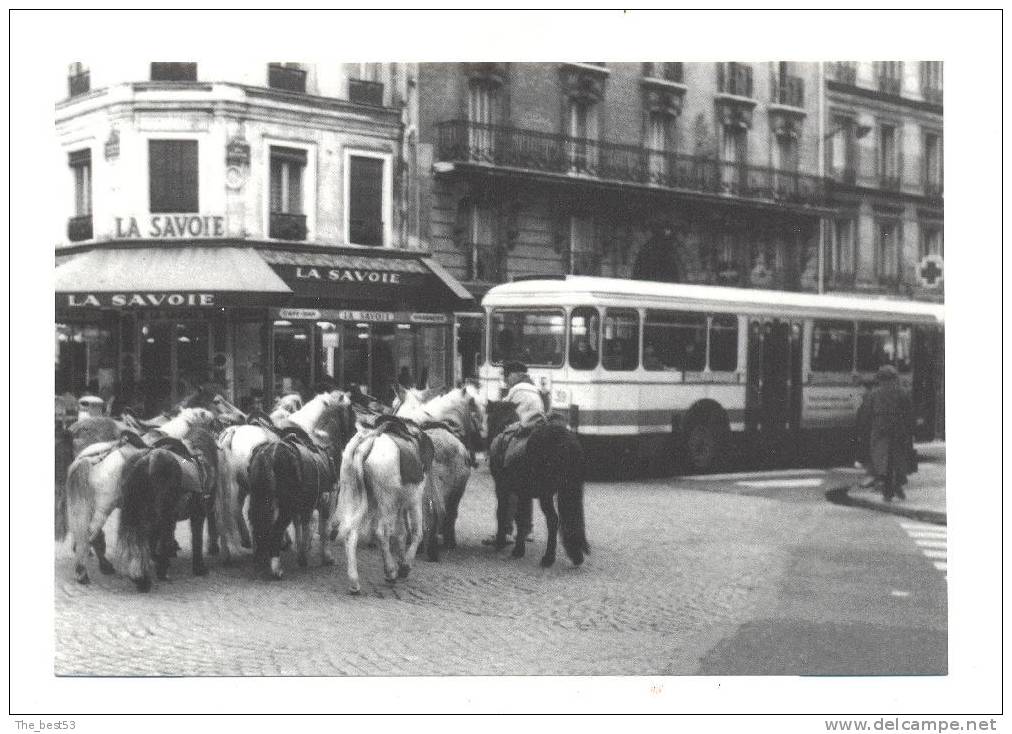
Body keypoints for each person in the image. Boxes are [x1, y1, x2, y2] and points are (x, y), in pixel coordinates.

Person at [865, 364, 915, 502]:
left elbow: (867, 413)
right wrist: (909, 430)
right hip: (898, 430)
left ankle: (887, 491)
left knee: (882, 461)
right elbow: (909, 413)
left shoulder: (874, 394)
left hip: (880, 430)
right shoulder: (902, 393)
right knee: (897, 460)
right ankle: (897, 485)